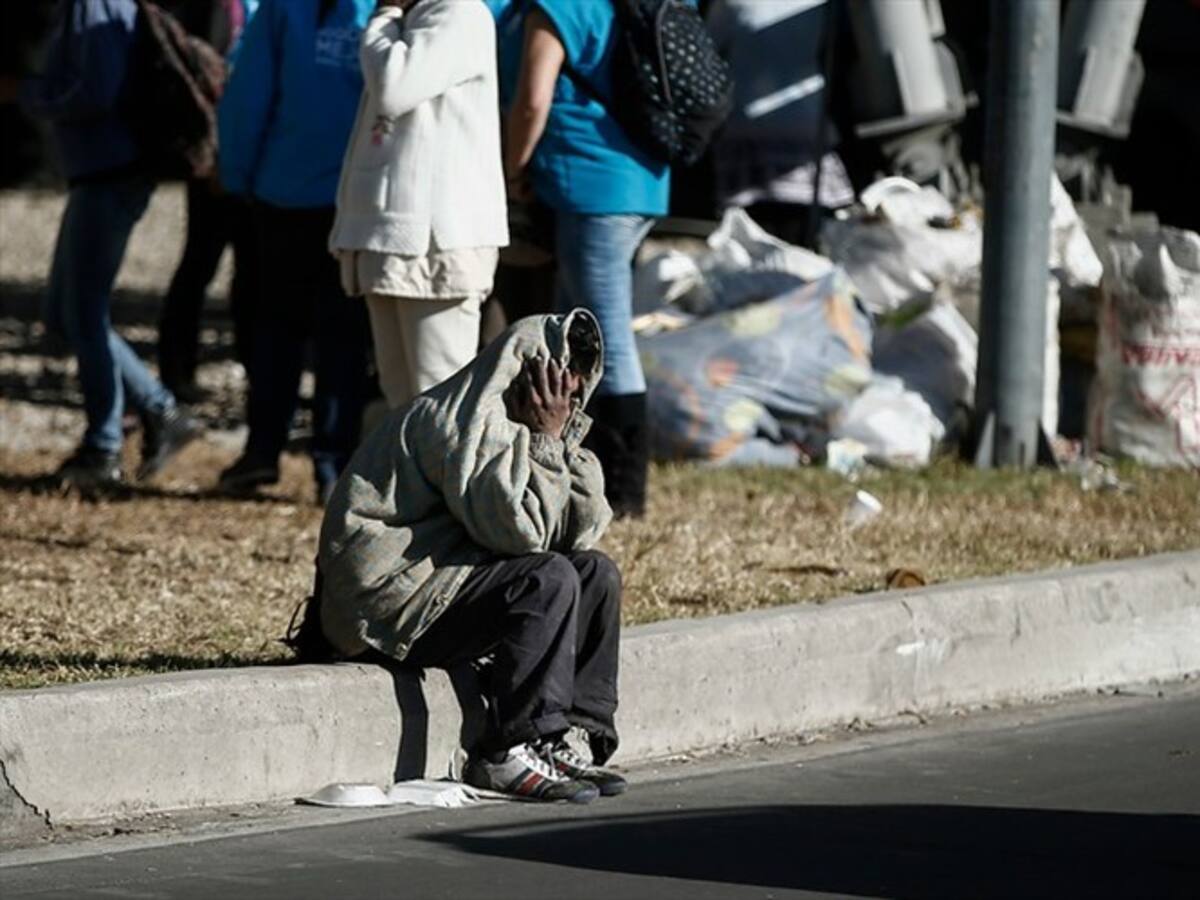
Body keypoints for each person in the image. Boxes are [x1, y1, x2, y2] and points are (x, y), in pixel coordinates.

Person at [313, 309, 625, 803]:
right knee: (548, 580)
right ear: (526, 370)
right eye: (558, 376)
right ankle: (503, 752)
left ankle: (563, 735)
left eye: (575, 383)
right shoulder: (460, 423)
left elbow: (579, 534)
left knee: (596, 573)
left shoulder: (524, 424)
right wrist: (545, 441)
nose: (567, 390)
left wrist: (563, 440)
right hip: (391, 603)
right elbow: (522, 535)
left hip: (444, 577)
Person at [2, 0, 204, 488]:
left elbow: (96, 90)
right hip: (98, 172)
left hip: (112, 172)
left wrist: (25, 93)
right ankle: (160, 413)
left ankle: (104, 448)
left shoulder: (96, 5)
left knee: (84, 313)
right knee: (66, 311)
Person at [488, 0, 675, 520]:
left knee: (604, 333)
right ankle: (578, 467)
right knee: (576, 333)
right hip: (633, 180)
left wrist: (511, 169)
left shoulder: (558, 6)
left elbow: (532, 98)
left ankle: (625, 489)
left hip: (592, 185)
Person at [216, 0, 374, 504]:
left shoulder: (284, 7)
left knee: (277, 330)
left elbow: (248, 95)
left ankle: (263, 451)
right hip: (357, 200)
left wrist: (237, 175)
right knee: (344, 339)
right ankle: (333, 465)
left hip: (284, 192)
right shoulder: (391, 9)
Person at [329, 0, 508, 411]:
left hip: (436, 245)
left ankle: (453, 480)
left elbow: (395, 88)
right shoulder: (414, 17)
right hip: (390, 242)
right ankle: (412, 479)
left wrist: (384, 16)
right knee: (403, 407)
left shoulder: (459, 13)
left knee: (442, 408)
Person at [156, 0, 260, 402]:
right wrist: (212, 155)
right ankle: (176, 371)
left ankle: (256, 371)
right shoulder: (218, 7)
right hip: (218, 159)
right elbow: (201, 80)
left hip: (253, 157)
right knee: (201, 264)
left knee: (251, 272)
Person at [705, 0, 854, 247]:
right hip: (808, 127)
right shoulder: (827, 5)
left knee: (753, 240)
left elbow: (707, 53)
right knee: (807, 238)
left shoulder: (731, 4)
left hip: (746, 131)